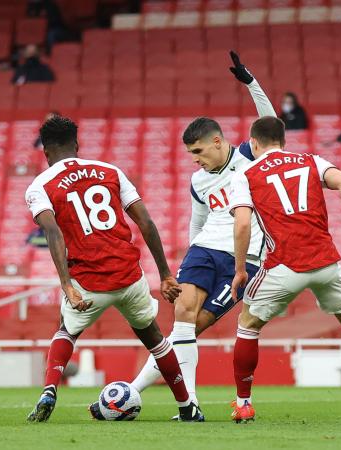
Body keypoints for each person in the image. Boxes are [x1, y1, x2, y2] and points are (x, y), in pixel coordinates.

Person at [88, 51, 275, 420]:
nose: (195, 159)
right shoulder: (198, 180)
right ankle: (189, 405)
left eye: (199, 151)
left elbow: (269, 122)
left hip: (244, 259)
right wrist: (181, 264)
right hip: (204, 251)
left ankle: (132, 390)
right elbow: (197, 222)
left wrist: (250, 83)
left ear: (219, 142)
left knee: (191, 330)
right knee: (182, 318)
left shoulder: (247, 159)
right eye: (191, 154)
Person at [228, 116, 341, 422]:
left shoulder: (245, 174)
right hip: (325, 262)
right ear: (284, 142)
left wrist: (239, 270)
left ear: (254, 143)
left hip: (283, 264)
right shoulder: (311, 160)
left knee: (248, 325)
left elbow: (243, 222)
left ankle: (243, 403)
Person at [24, 115, 201, 423]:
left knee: (67, 331)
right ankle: (187, 406)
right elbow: (145, 222)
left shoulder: (40, 186)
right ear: (77, 145)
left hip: (89, 281)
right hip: (129, 276)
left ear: (46, 153)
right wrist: (165, 274)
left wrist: (66, 283)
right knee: (156, 340)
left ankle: (49, 390)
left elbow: (52, 233)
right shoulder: (110, 171)